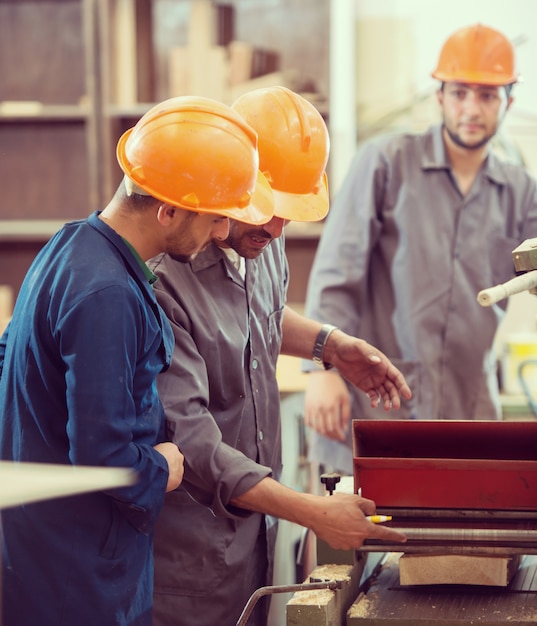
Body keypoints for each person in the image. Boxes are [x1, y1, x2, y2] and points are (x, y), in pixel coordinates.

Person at [0, 95, 274, 626]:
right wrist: (165, 467)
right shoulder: (107, 294)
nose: (222, 234)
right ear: (168, 209)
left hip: (43, 552)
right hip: (79, 577)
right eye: (216, 218)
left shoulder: (70, 245)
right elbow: (106, 461)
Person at [148, 86, 410, 626]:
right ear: (230, 180)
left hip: (258, 538)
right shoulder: (162, 278)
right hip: (189, 558)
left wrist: (330, 345)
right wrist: (315, 513)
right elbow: (193, 443)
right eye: (266, 209)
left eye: (290, 214)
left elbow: (256, 319)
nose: (277, 227)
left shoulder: (263, 237)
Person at [303, 23, 537, 475]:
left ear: (507, 101)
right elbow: (336, 275)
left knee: (462, 541)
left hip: (468, 412)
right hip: (375, 404)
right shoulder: (386, 162)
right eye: (460, 93)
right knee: (352, 534)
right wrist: (322, 370)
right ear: (440, 96)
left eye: (487, 96)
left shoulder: (521, 191)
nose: (472, 108)